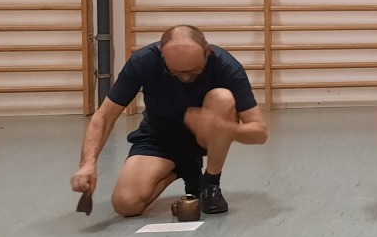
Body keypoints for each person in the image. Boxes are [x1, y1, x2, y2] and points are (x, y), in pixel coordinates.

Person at [69, 25, 266, 217]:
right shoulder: (143, 61)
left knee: (223, 98)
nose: (186, 78)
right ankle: (184, 169)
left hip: (206, 138)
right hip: (160, 138)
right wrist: (88, 164)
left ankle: (210, 184)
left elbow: (259, 133)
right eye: (177, 72)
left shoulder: (226, 65)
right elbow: (104, 116)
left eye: (194, 71)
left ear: (207, 52)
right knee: (126, 204)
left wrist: (223, 128)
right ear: (162, 56)